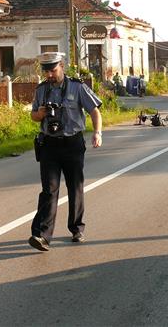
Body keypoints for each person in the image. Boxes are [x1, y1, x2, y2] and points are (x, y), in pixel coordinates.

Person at [28, 52, 103, 252]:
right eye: (46, 72)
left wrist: (97, 132)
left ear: (62, 66)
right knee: (49, 190)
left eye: (53, 70)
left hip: (73, 144)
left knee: (75, 187)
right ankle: (43, 236)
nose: (50, 75)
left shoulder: (77, 87)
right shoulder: (41, 90)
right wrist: (41, 114)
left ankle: (77, 229)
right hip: (49, 145)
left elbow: (94, 111)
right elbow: (34, 116)